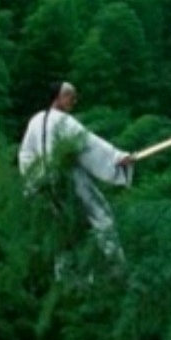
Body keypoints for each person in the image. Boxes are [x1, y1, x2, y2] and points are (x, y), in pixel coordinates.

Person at [18, 81, 135, 281]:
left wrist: (34, 182)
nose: (74, 101)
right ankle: (116, 269)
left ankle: (66, 278)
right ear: (59, 97)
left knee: (62, 229)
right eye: (70, 97)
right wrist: (117, 158)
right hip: (69, 178)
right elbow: (89, 144)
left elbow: (25, 155)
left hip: (46, 185)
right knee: (101, 215)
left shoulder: (35, 121)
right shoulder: (64, 121)